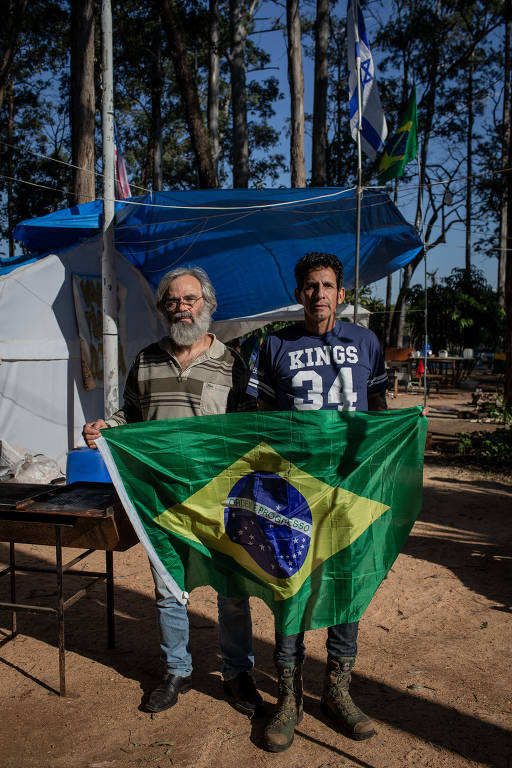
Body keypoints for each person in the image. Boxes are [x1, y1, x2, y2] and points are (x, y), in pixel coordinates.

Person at [83, 266, 262, 717]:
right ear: (164, 309)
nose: (181, 308)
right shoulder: (145, 360)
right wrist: (107, 428)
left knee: (233, 590)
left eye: (190, 299)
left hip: (220, 499)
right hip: (160, 497)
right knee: (167, 588)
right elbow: (130, 416)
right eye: (172, 301)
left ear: (208, 304)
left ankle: (238, 673)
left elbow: (249, 433)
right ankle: (177, 670)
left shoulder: (233, 363)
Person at [246, 252, 388, 752]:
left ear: (341, 293)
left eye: (327, 286)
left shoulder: (366, 341)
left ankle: (337, 690)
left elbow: (381, 419)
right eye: (309, 286)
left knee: (345, 585)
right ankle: (289, 695)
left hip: (349, 491)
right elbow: (256, 420)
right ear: (298, 291)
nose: (319, 295)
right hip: (292, 493)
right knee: (291, 586)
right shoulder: (274, 344)